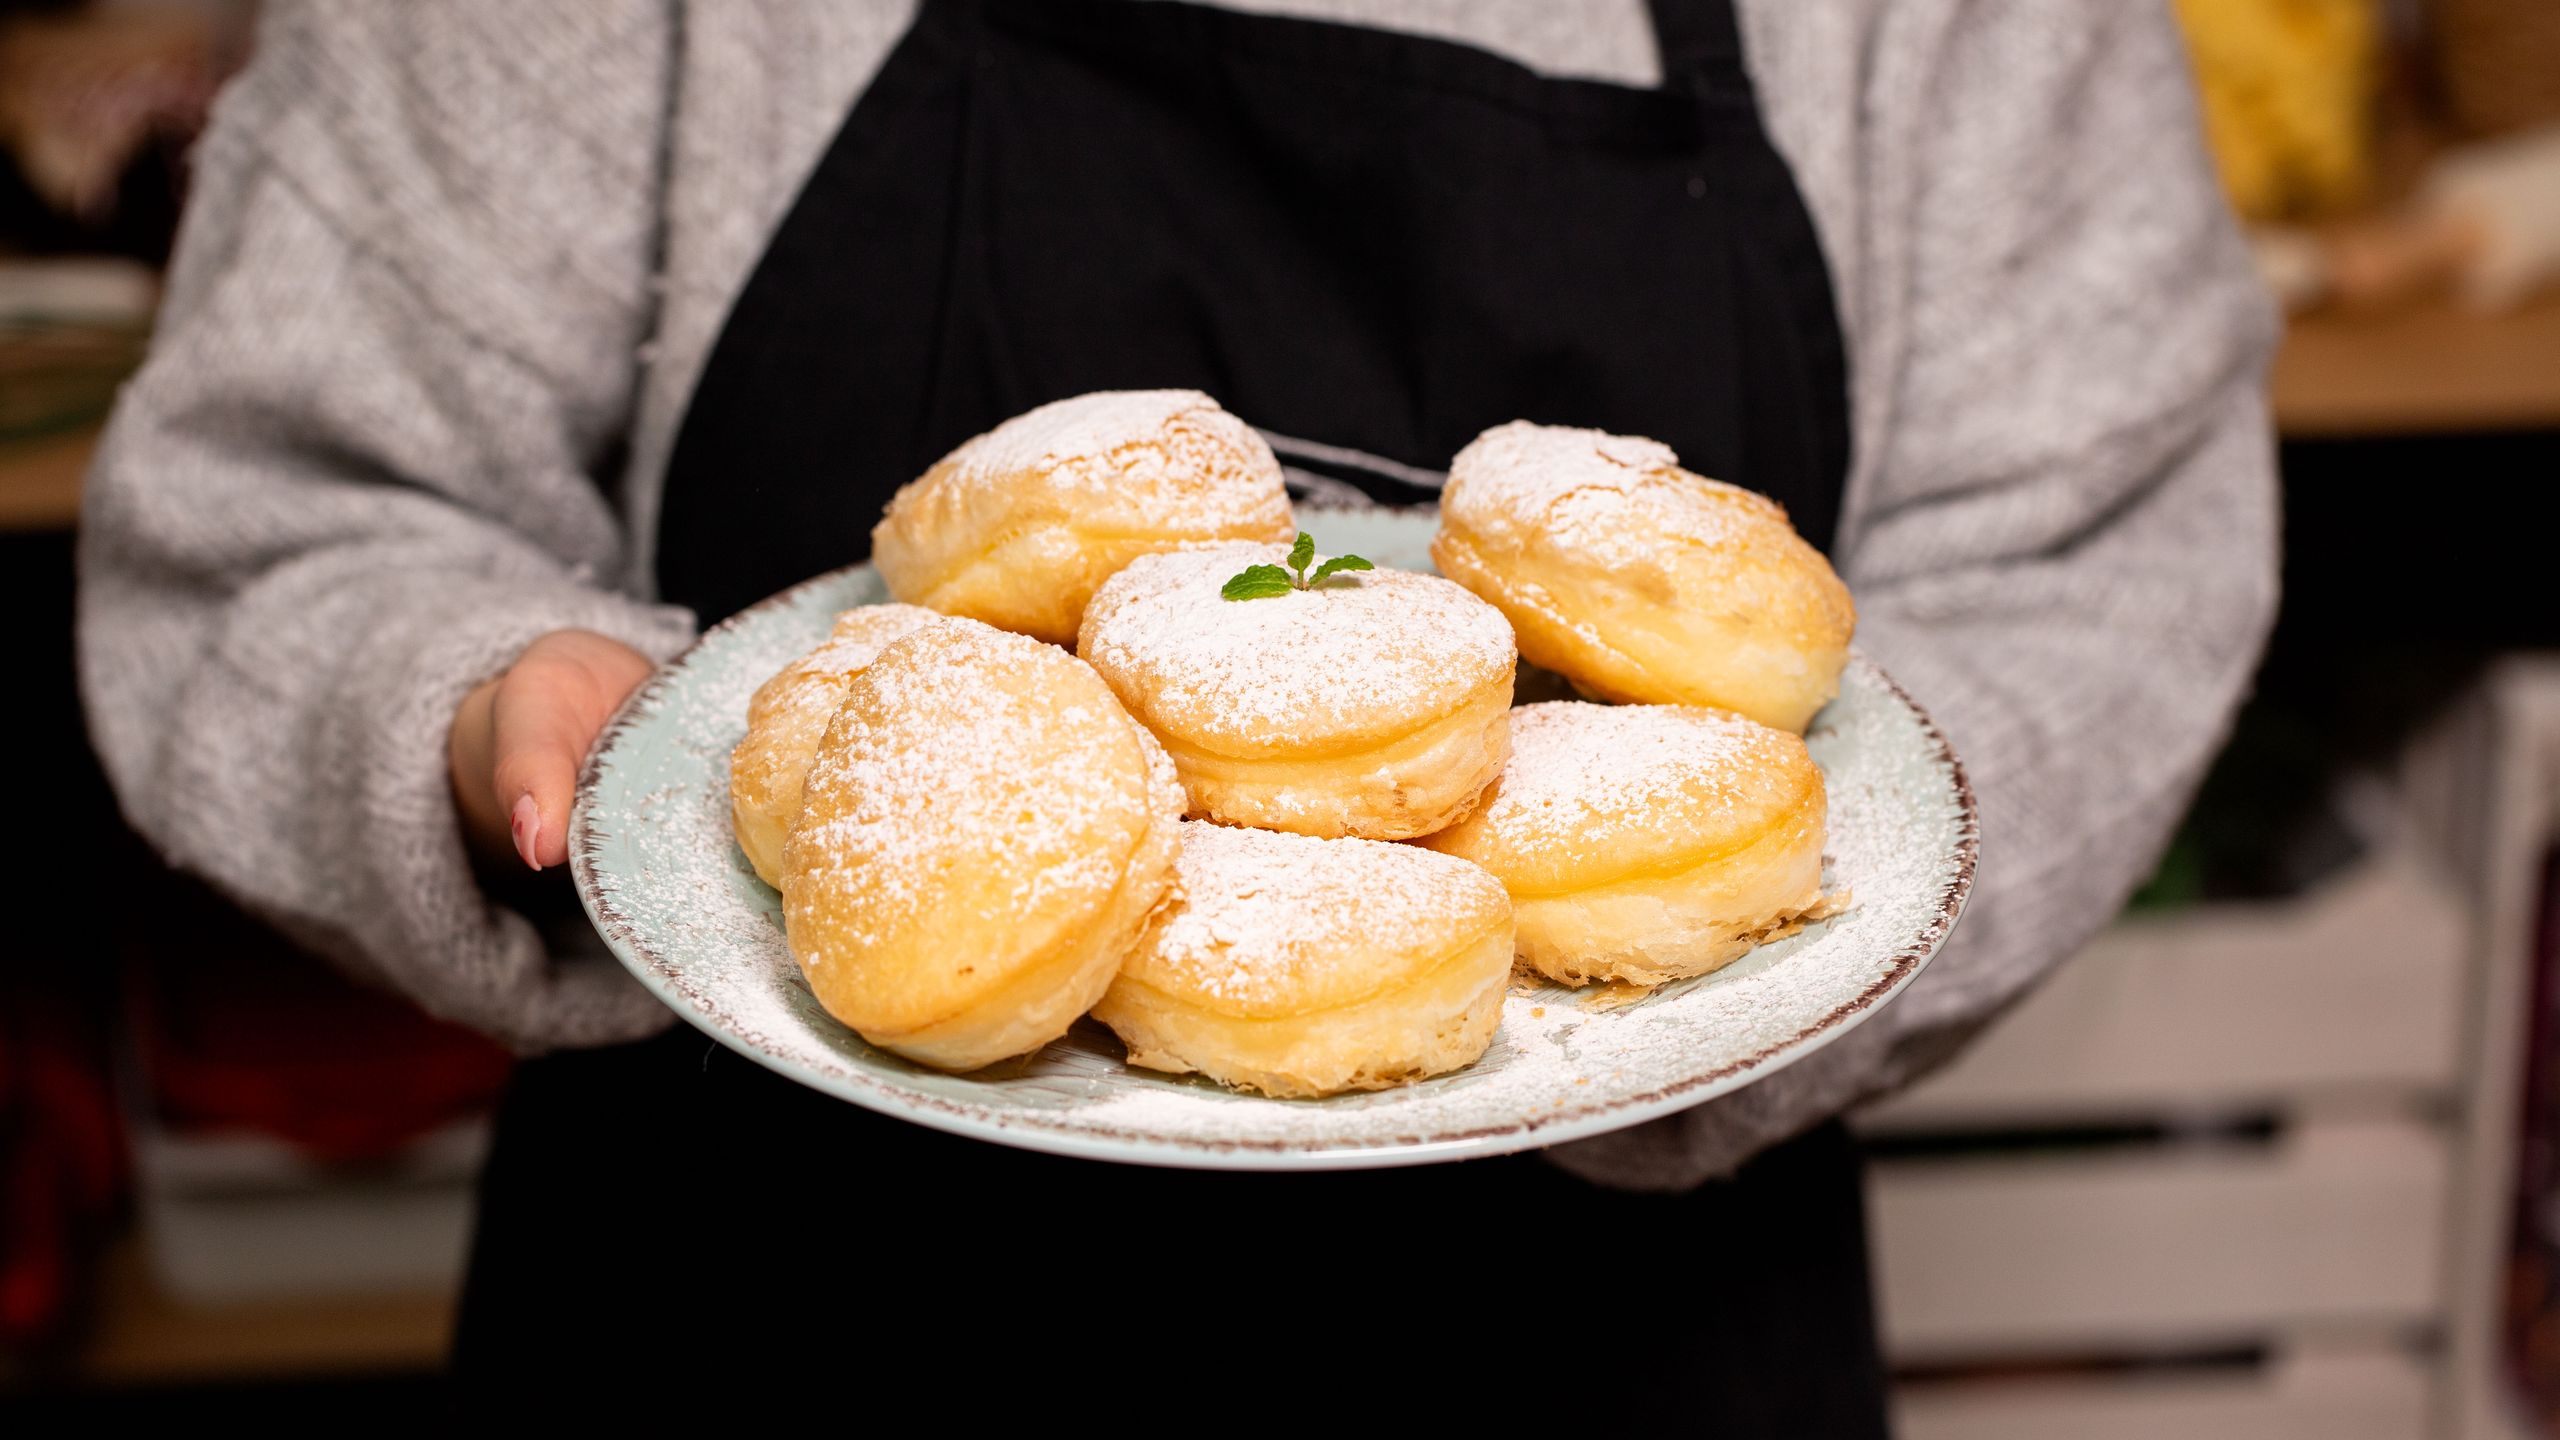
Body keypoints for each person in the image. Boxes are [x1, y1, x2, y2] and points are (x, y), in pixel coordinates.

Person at [76, 0, 2277, 1426]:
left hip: (1632, 1336)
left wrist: (1687, 987)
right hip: (755, 1297)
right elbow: (275, 510)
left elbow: (2089, 578)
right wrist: (482, 718)